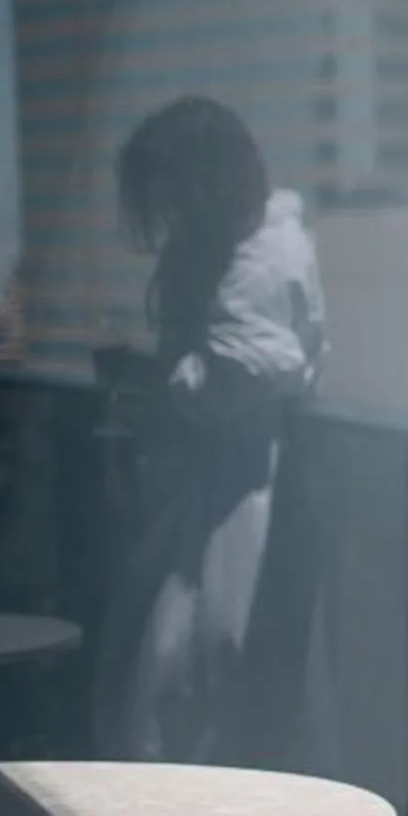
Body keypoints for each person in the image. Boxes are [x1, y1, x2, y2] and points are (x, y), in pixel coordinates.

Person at [91, 96, 326, 765]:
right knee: (199, 687)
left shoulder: (256, 264)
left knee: (199, 687)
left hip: (240, 498)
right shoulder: (267, 251)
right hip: (231, 493)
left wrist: (161, 380)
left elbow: (247, 375)